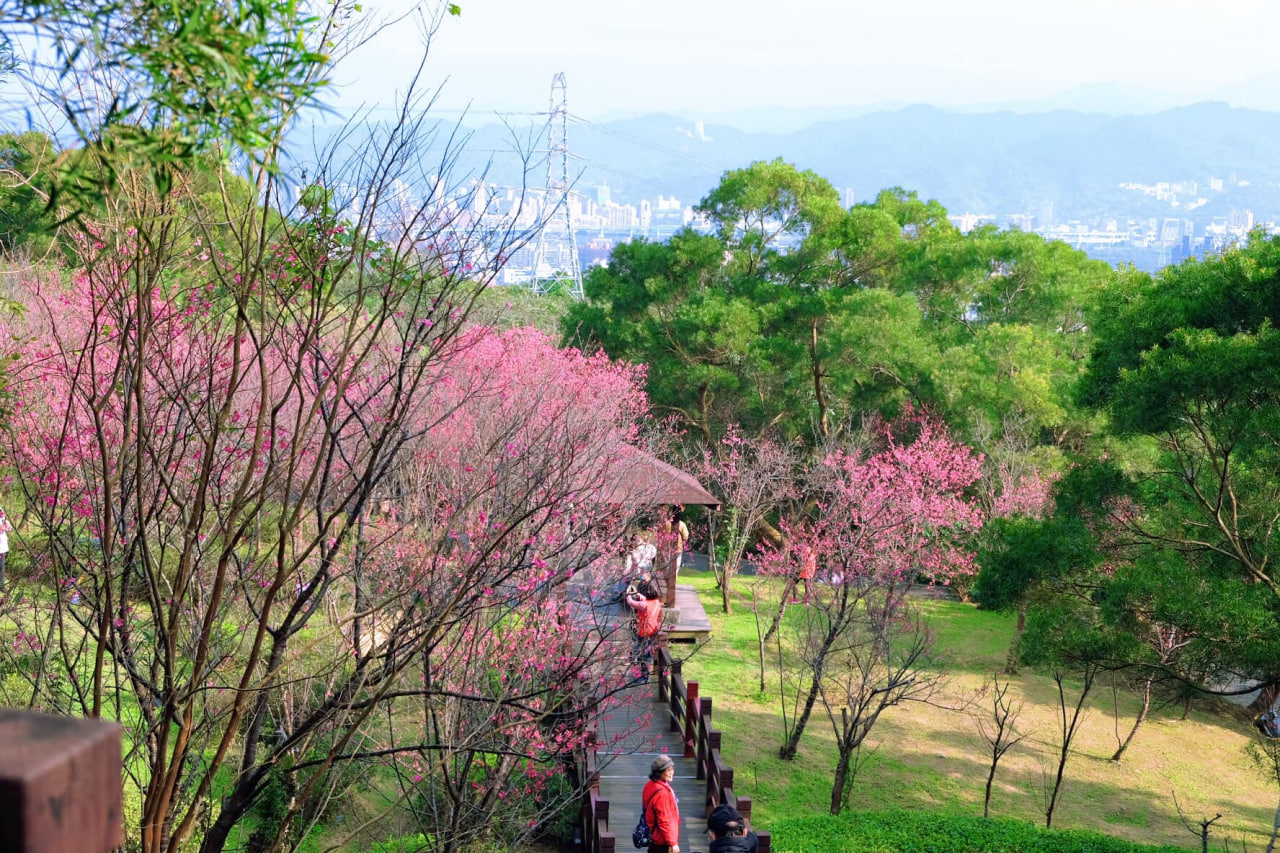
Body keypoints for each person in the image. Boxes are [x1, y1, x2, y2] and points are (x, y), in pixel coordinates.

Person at [625, 580, 663, 682]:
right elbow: (645, 599)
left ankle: (643, 677)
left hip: (644, 631)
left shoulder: (644, 605)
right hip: (652, 630)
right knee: (647, 653)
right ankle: (645, 676)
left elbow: (630, 602)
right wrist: (637, 593)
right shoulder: (656, 602)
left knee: (641, 653)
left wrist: (628, 594)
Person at [642, 754, 681, 853]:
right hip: (662, 840)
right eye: (668, 770)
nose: (671, 772)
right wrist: (673, 843)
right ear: (659, 773)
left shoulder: (650, 785)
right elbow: (664, 820)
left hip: (654, 836)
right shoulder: (662, 794)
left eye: (672, 769)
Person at [0, 506, 11, 592]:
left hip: (2, 545)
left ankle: (2, 586)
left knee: (1, 566)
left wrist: (7, 526)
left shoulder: (1, 511)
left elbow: (8, 527)